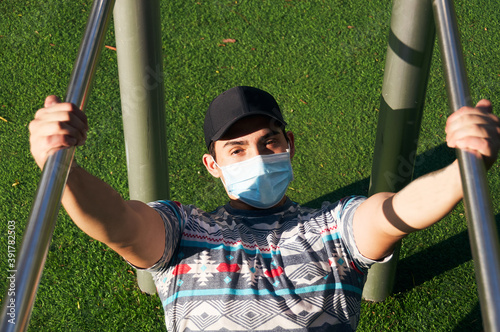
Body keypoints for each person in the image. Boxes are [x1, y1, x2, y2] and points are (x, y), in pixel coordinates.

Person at [29, 86, 499, 331]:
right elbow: (119, 222)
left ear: (288, 145)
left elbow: (395, 211)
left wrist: (463, 171)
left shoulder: (331, 229)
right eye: (237, 149)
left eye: (268, 141)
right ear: (213, 164)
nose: (256, 156)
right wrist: (63, 169)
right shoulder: (182, 228)